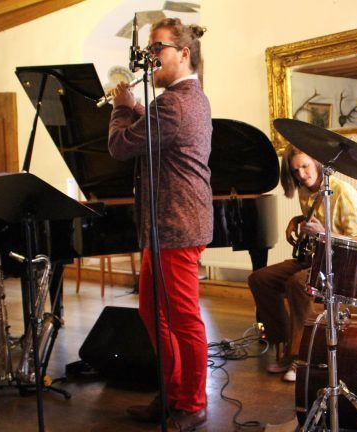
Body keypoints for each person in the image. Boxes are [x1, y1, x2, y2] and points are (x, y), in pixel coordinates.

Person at [107, 17, 211, 431]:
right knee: (153, 312)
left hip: (176, 226)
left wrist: (120, 108)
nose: (150, 58)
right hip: (167, 226)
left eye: (157, 50)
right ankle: (172, 392)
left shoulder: (174, 103)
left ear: (183, 53)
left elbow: (120, 145)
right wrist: (135, 106)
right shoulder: (187, 98)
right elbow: (156, 129)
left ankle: (193, 403)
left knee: (184, 319)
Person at [247, 144, 357, 382]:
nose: (301, 174)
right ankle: (284, 343)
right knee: (259, 279)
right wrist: (297, 219)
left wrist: (323, 232)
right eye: (295, 170)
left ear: (318, 163)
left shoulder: (343, 191)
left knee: (298, 283)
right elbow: (314, 217)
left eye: (305, 166)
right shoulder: (305, 191)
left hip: (339, 262)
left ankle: (300, 357)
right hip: (313, 258)